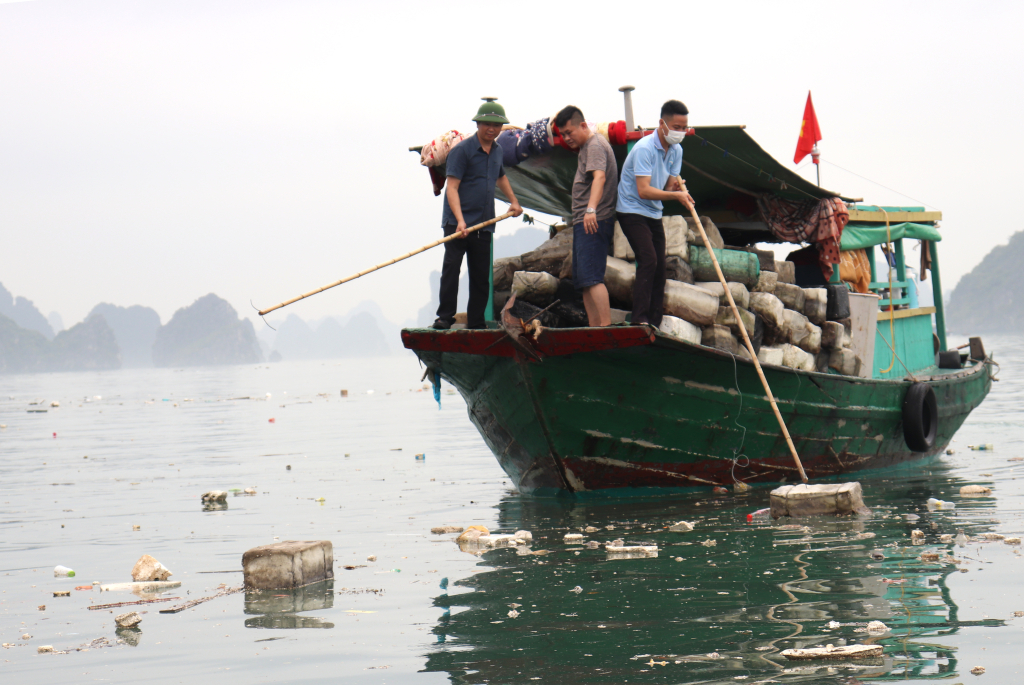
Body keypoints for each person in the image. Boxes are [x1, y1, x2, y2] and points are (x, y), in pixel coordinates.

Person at [433, 100, 523, 330]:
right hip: (457, 223)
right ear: (478, 124)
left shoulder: (498, 151)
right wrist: (460, 221)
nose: (491, 129)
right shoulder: (461, 151)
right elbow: (452, 188)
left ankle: (476, 321)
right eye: (486, 124)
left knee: (482, 276)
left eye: (496, 125)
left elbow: (500, 176)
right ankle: (445, 317)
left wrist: (513, 201)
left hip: (484, 223)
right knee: (452, 269)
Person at [615, 100, 695, 327]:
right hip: (631, 210)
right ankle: (639, 320)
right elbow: (644, 191)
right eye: (677, 127)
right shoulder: (644, 149)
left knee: (661, 266)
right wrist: (676, 197)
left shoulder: (677, 150)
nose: (681, 132)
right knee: (648, 260)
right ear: (662, 123)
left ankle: (654, 323)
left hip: (653, 212)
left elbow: (666, 189)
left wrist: (676, 190)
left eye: (684, 128)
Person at [555, 105, 618, 327]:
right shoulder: (585, 148)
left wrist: (591, 210)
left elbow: (599, 178)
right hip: (584, 220)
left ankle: (604, 328)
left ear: (583, 125)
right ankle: (593, 328)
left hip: (594, 219)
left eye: (569, 132)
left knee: (593, 279)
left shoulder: (595, 145)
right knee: (583, 281)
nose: (566, 138)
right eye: (563, 134)